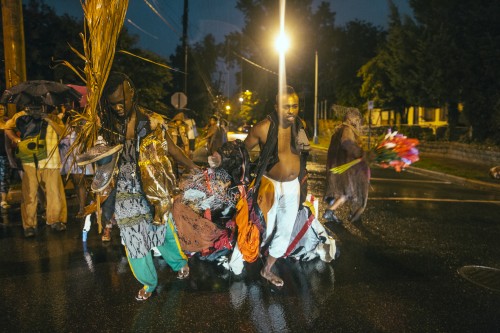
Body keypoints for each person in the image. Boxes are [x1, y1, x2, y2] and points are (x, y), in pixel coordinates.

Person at [98, 72, 199, 301]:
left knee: (161, 230)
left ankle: (179, 263)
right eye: (113, 104)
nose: (118, 108)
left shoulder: (153, 121)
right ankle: (148, 282)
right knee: (133, 238)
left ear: (132, 93)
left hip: (153, 187)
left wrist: (192, 166)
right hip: (126, 190)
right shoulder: (108, 125)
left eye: (121, 102)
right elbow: (102, 160)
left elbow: (172, 149)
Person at [243, 85, 309, 287]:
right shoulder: (262, 127)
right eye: (286, 106)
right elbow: (242, 152)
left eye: (295, 106)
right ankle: (251, 259)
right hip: (269, 186)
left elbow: (303, 151)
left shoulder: (300, 125)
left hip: (292, 187)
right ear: (275, 106)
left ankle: (267, 269)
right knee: (265, 227)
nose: (291, 111)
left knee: (285, 229)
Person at [5, 103, 68, 237]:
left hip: (51, 160)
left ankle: (55, 220)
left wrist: (49, 119)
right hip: (30, 161)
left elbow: (63, 133)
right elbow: (7, 127)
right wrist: (16, 139)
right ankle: (29, 225)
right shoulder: (21, 116)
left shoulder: (53, 117)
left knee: (55, 193)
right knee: (29, 194)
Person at [323, 108, 370, 224]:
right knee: (347, 192)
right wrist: (361, 153)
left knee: (344, 191)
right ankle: (330, 211)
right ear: (350, 118)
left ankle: (351, 212)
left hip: (336, 165)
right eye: (356, 117)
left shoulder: (339, 130)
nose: (358, 120)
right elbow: (346, 143)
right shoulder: (347, 129)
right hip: (342, 167)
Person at [0, 105, 11, 210]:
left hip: (4, 153)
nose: (1, 111)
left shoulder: (7, 122)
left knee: (4, 177)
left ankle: (4, 199)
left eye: (2, 109)